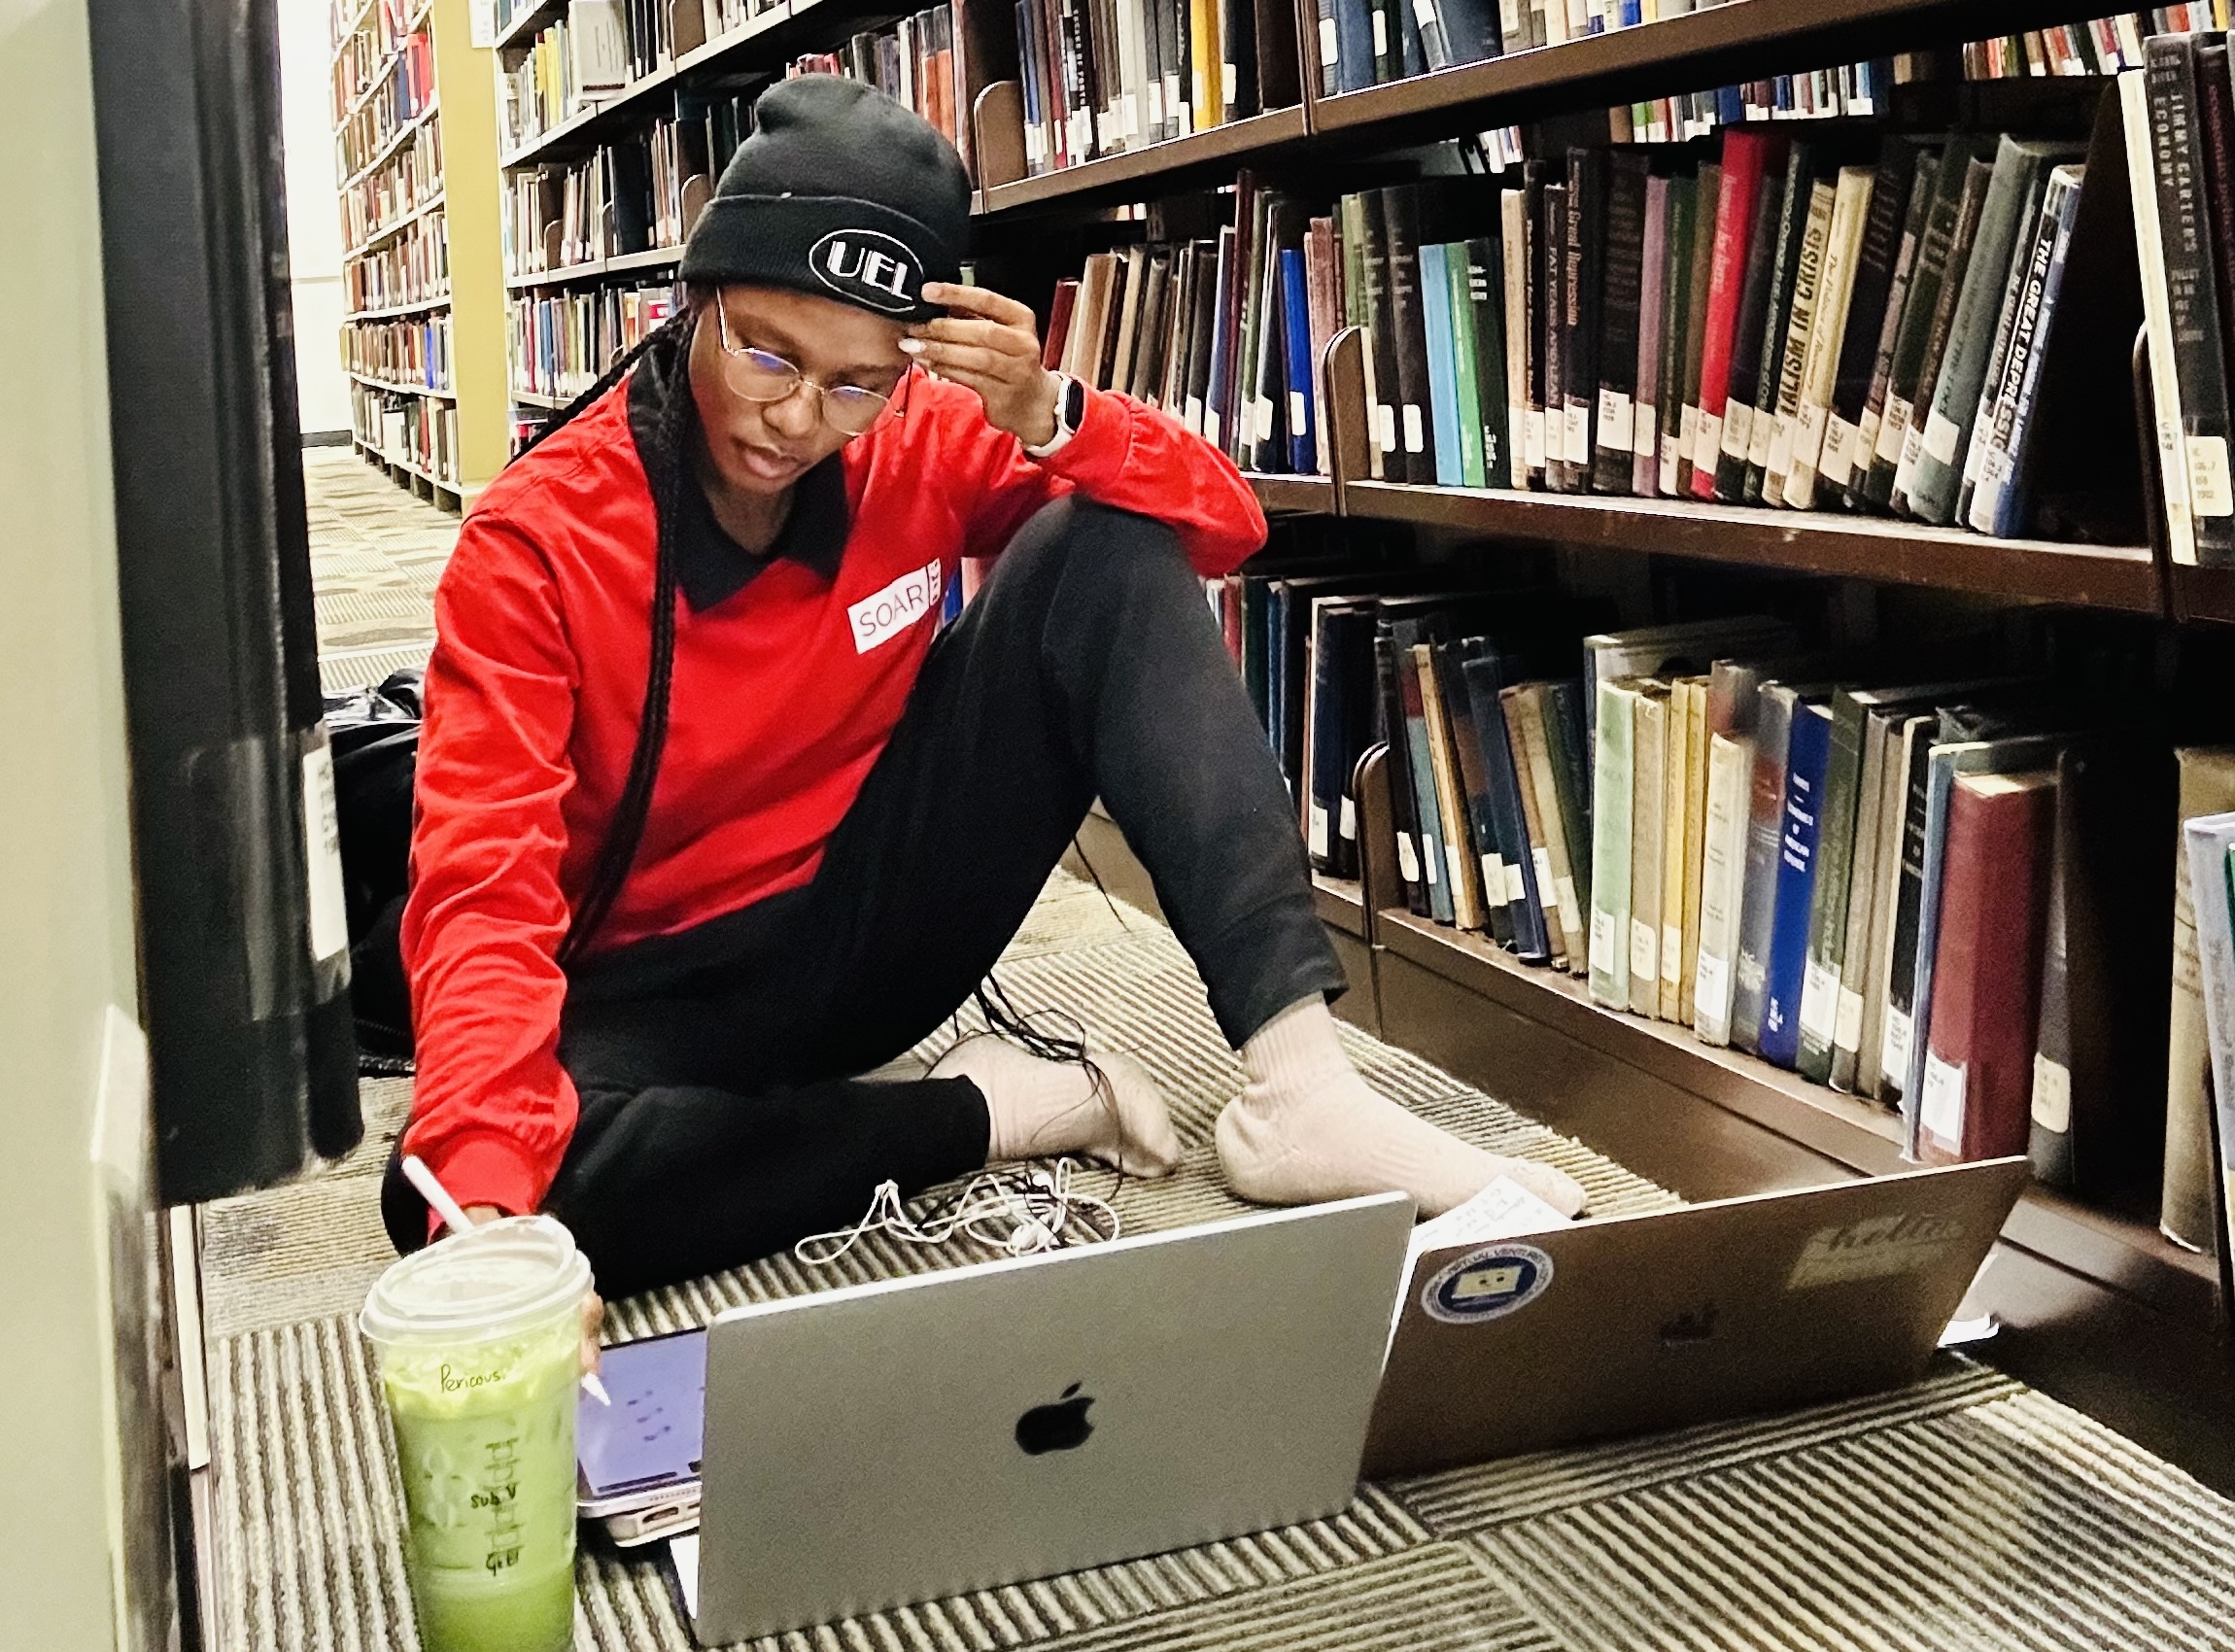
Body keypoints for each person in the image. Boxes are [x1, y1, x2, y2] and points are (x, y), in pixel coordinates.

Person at [379, 76, 1584, 1301]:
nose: (796, 416)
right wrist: (482, 1207)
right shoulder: (535, 536)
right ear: (697, 298)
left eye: (856, 380)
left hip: (864, 924)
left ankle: (1302, 1088)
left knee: (1100, 544)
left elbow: (1219, 525)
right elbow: (483, 884)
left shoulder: (920, 440)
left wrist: (1050, 412)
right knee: (460, 1184)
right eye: (765, 353)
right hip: (654, 983)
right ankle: (986, 1113)